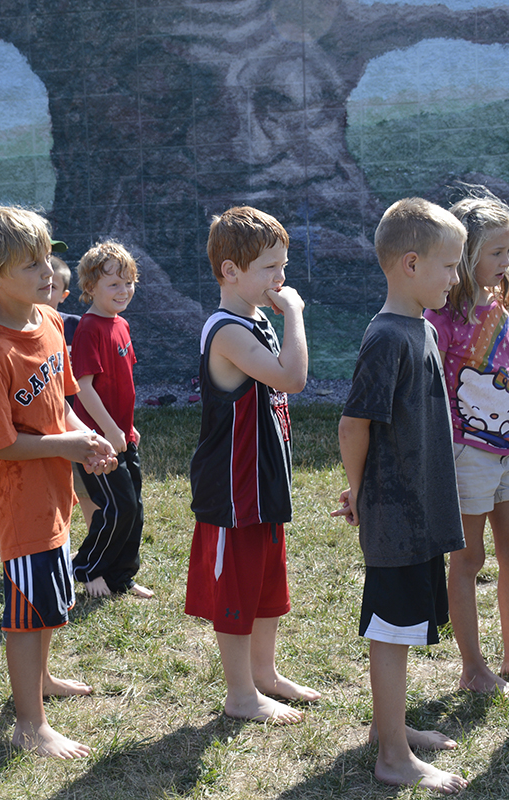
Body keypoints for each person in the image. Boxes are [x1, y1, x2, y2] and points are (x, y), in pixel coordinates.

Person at [0, 204, 117, 758]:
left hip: (54, 494)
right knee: (26, 615)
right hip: (19, 502)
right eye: (29, 264)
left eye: (46, 257)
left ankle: (42, 684)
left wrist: (85, 438)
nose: (46, 270)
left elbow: (63, 401)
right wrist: (67, 445)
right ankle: (31, 725)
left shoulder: (49, 322)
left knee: (49, 600)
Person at [333, 197, 469, 794]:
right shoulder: (388, 336)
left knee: (406, 627)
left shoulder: (419, 327)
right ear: (410, 264)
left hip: (418, 511)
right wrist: (361, 492)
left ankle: (390, 728)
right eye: (448, 266)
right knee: (392, 630)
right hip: (395, 515)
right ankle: (392, 755)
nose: (455, 277)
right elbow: (352, 423)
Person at [184, 206, 320, 725]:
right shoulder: (225, 330)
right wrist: (298, 317)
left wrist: (280, 314)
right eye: (269, 268)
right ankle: (240, 694)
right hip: (234, 488)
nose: (281, 280)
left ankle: (265, 674)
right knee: (237, 590)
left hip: (264, 483)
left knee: (266, 583)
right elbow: (292, 378)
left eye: (283, 266)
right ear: (230, 271)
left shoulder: (257, 317)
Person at [423, 190, 509, 696]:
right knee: (468, 561)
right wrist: (449, 451)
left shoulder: (501, 304)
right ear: (466, 255)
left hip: (506, 451)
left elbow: (505, 377)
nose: (505, 263)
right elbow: (433, 391)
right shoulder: (441, 318)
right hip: (464, 453)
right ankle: (474, 668)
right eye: (496, 252)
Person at [69, 240, 152, 598]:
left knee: (134, 508)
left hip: (122, 437)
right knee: (117, 507)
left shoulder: (122, 325)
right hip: (99, 442)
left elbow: (122, 383)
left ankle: (121, 576)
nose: (124, 290)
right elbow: (84, 388)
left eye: (129, 282)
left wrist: (127, 429)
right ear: (90, 288)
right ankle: (86, 568)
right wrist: (110, 431)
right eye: (113, 284)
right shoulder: (89, 328)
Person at [42, 250, 99, 525]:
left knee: (85, 483)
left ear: (64, 294)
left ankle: (93, 535)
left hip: (74, 411)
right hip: (43, 420)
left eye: (53, 286)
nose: (45, 290)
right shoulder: (19, 330)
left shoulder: (77, 325)